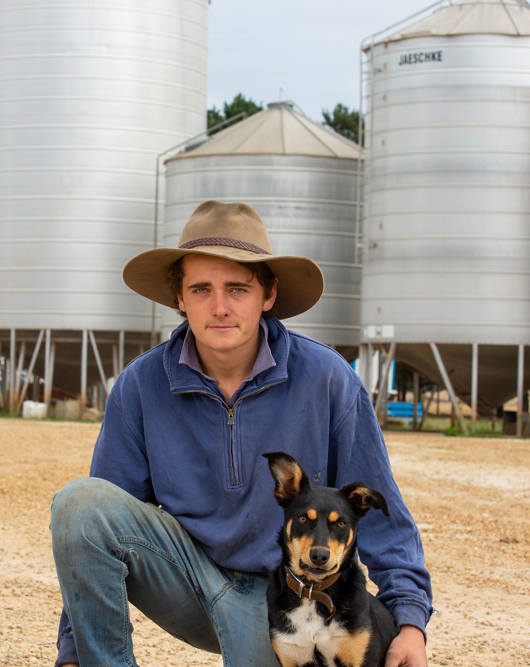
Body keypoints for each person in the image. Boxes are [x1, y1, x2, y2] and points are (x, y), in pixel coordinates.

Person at [50, 201, 433, 667]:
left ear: (267, 295)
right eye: (201, 289)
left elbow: (384, 518)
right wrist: (73, 647)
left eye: (237, 288)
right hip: (185, 577)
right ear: (179, 298)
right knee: (81, 503)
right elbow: (103, 525)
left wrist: (410, 623)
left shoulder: (328, 378)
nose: (220, 307)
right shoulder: (140, 385)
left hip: (287, 595)